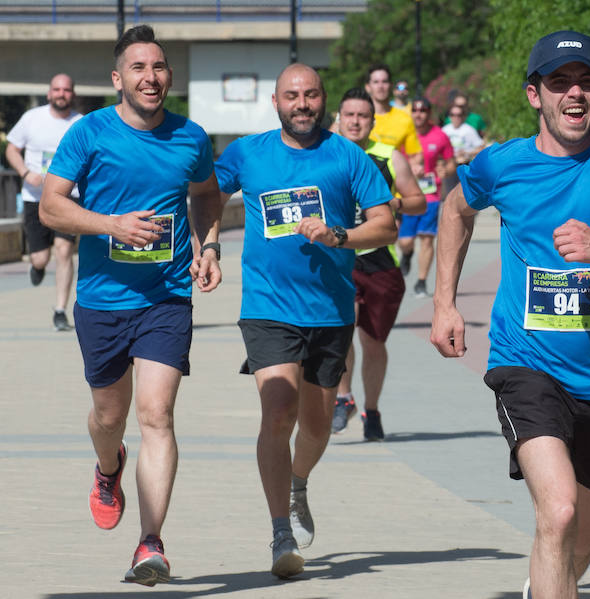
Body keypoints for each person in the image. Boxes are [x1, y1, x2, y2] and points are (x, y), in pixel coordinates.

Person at [429, 31, 590, 599]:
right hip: (528, 365)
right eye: (559, 82)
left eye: (586, 82)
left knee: (578, 539)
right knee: (561, 510)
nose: (575, 94)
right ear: (533, 94)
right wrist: (444, 301)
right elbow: (454, 209)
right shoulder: (502, 165)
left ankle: (547, 583)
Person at [40, 25, 223, 587]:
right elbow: (51, 207)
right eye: (139, 68)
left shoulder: (191, 137)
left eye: (160, 66)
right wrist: (110, 225)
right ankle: (107, 466)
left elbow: (208, 194)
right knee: (109, 416)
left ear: (170, 75)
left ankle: (151, 543)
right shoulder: (88, 133)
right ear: (119, 79)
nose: (152, 76)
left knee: (157, 414)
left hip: (167, 297)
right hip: (102, 300)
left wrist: (209, 245)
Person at [214, 64, 397, 579]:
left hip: (329, 311)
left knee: (317, 426)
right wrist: (208, 245)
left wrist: (340, 236)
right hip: (268, 308)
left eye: (311, 95)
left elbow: (384, 223)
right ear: (275, 102)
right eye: (291, 95)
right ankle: (279, 532)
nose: (302, 104)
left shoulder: (347, 156)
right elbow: (206, 193)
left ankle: (298, 484)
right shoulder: (248, 153)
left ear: (323, 102)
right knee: (279, 408)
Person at [332, 88, 426, 440]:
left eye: (363, 116)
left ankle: (371, 409)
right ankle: (344, 398)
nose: (355, 121)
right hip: (338, 260)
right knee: (341, 331)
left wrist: (393, 205)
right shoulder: (324, 154)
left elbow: (419, 202)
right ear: (339, 118)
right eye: (349, 115)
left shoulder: (388, 156)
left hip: (377, 261)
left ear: (373, 122)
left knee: (372, 342)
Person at [5, 73, 82, 331]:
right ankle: (37, 268)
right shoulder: (32, 118)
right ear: (49, 93)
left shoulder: (81, 124)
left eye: (67, 90)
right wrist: (27, 174)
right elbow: (11, 149)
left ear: (72, 94)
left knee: (64, 251)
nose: (62, 94)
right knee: (40, 258)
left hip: (67, 198)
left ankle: (60, 310)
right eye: (57, 89)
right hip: (34, 197)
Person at [398, 97, 455, 298]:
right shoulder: (403, 133)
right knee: (405, 241)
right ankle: (406, 253)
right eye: (415, 110)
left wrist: (445, 171)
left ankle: (421, 281)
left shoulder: (440, 136)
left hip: (430, 195)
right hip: (405, 195)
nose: (419, 114)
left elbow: (450, 163)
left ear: (429, 113)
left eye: (423, 110)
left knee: (427, 239)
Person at [365, 63, 423, 175]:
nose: (380, 86)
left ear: (391, 85)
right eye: (376, 82)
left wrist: (414, 166)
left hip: (393, 186)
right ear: (368, 87)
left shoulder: (405, 118)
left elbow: (415, 155)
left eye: (384, 82)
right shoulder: (357, 116)